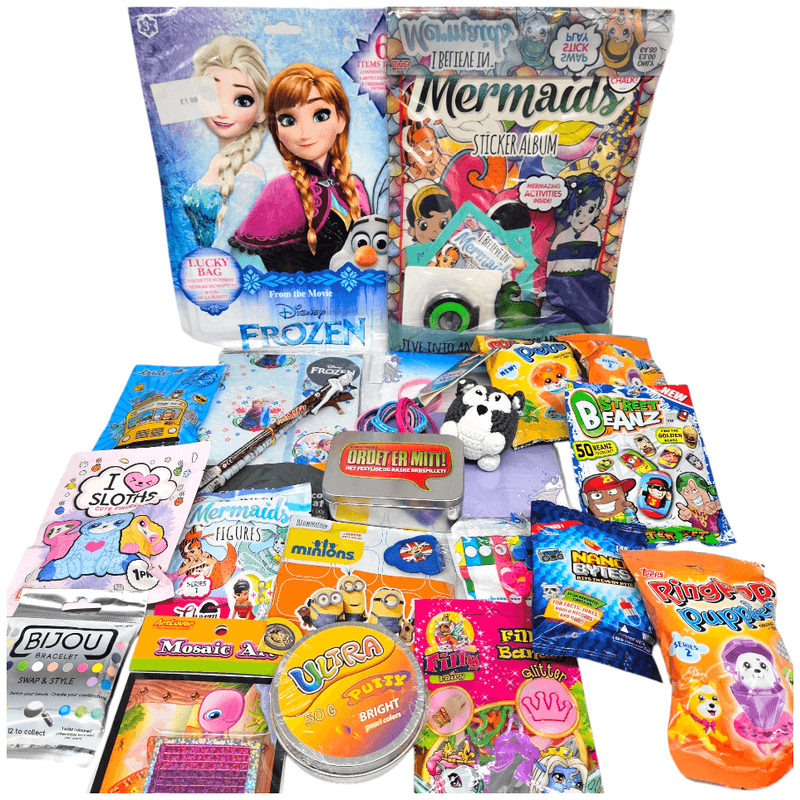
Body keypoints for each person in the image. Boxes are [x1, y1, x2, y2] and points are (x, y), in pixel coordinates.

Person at [230, 63, 369, 272]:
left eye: (320, 115)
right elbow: (243, 254)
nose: (305, 133)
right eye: (288, 120)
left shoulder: (353, 185)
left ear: (341, 120)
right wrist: (273, 287)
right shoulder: (280, 190)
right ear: (277, 130)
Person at [183, 36, 270, 249]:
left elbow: (228, 243)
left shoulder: (250, 174)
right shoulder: (216, 161)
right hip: (203, 264)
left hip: (227, 265)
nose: (223, 112)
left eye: (242, 100)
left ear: (261, 111)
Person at [545, 173, 610, 325]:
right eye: (578, 212)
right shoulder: (562, 237)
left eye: (590, 209)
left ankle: (590, 321)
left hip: (582, 279)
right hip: (560, 281)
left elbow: (593, 260)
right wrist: (549, 282)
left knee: (600, 282)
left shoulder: (594, 234)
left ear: (596, 211)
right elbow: (551, 264)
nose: (583, 217)